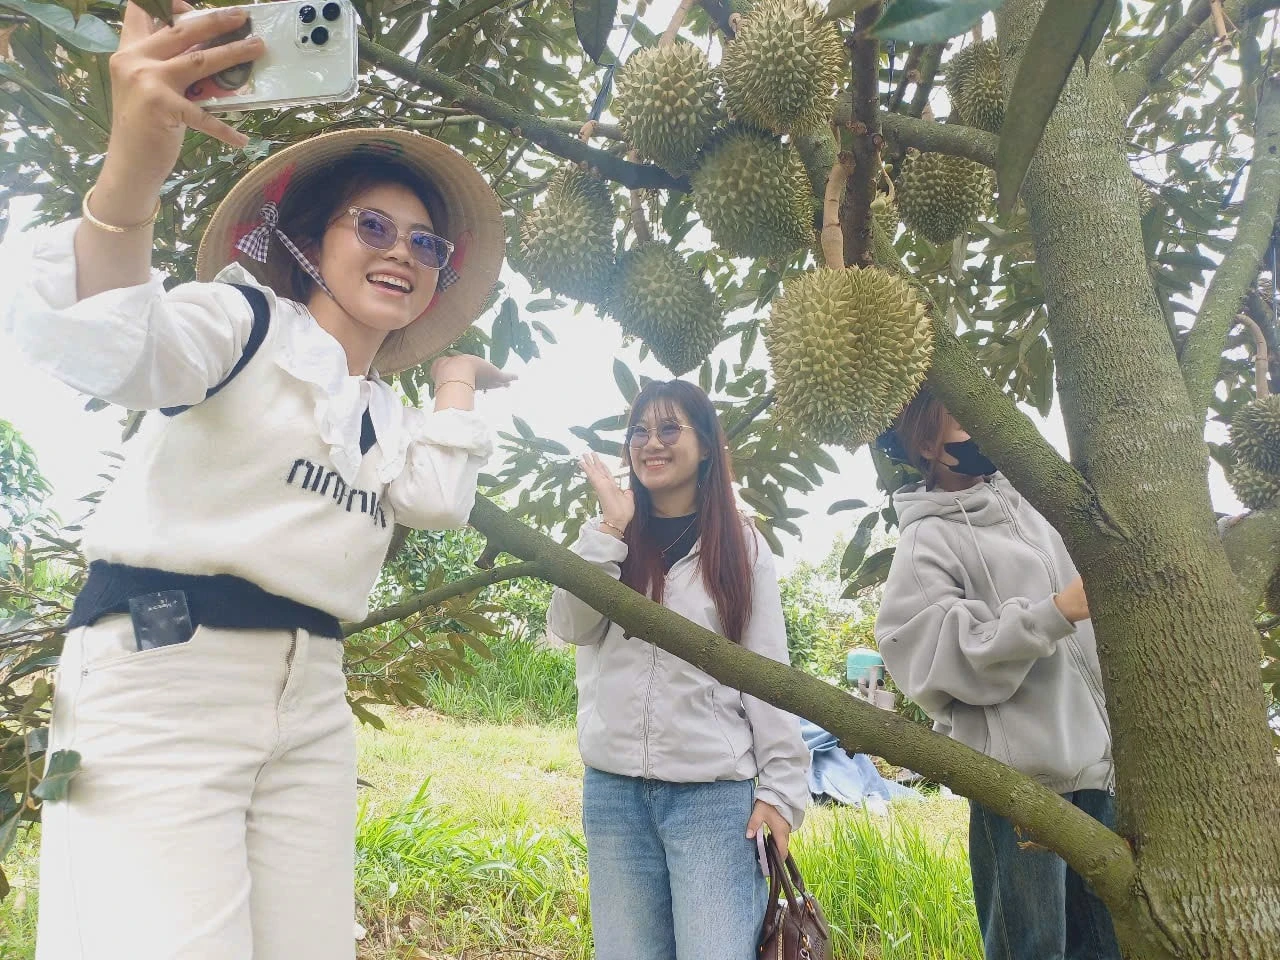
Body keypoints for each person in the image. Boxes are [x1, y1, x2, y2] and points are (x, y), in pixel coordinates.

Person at [0, 4, 511, 958]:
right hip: (164, 673)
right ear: (313, 245)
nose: (402, 250)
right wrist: (131, 175)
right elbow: (115, 345)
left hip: (309, 696)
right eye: (374, 225)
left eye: (427, 243)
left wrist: (451, 387)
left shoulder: (382, 416)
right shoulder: (242, 324)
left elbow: (439, 501)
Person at [547, 380, 810, 960]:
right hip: (615, 792)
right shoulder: (609, 535)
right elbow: (570, 626)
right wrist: (609, 530)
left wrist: (782, 792)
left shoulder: (741, 546)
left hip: (712, 798)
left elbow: (767, 671)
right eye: (639, 430)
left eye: (670, 429)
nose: (651, 443)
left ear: (707, 446)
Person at [873, 387, 1121, 960]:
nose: (986, 429)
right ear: (928, 444)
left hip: (1098, 770)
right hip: (1018, 785)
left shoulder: (1042, 505)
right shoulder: (925, 541)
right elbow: (938, 657)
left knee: (1106, 945)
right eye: (965, 420)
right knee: (1030, 948)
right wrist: (1051, 615)